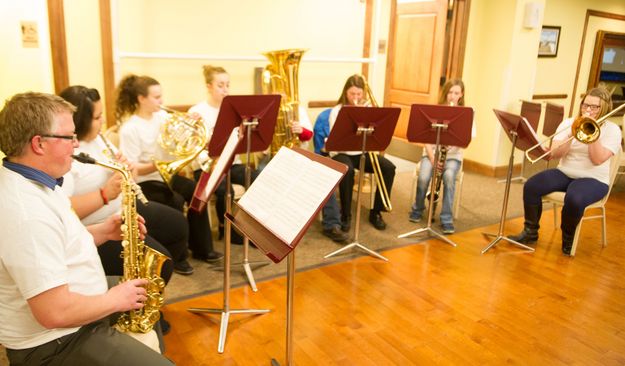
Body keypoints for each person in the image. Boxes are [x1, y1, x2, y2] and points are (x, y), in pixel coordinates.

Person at [0, 92, 172, 365]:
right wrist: (116, 299)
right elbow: (53, 313)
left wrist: (103, 231)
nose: (77, 143)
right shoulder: (26, 212)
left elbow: (58, 243)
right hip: (55, 342)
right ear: (39, 144)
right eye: (69, 137)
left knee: (144, 292)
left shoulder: (38, 180)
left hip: (73, 313)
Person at [59, 85, 194, 277]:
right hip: (98, 225)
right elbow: (63, 210)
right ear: (78, 120)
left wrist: (129, 171)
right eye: (97, 118)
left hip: (124, 207)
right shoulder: (65, 154)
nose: (103, 121)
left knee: (177, 225)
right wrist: (105, 194)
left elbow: (129, 173)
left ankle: (144, 284)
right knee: (160, 266)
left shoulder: (97, 139)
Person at [115, 74, 223, 263]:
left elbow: (182, 139)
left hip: (167, 175)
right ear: (141, 99)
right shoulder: (130, 128)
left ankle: (202, 248)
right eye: (156, 97)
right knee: (175, 200)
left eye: (161, 96)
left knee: (197, 191)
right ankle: (177, 257)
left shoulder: (163, 117)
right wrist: (155, 165)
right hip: (144, 182)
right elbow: (132, 169)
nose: (161, 101)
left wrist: (192, 123)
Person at [510, 87, 622, 255]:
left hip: (594, 179)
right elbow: (555, 154)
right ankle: (530, 231)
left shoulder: (612, 130)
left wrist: (592, 134)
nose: (588, 110)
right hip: (565, 172)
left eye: (594, 107)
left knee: (575, 198)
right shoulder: (569, 123)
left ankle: (568, 239)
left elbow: (597, 159)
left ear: (604, 108)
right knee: (532, 186)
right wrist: (572, 132)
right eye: (585, 105)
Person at [329, 74, 396, 231]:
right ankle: (346, 214)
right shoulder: (337, 111)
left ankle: (376, 212)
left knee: (388, 168)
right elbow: (336, 141)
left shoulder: (368, 110)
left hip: (362, 152)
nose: (356, 97)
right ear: (346, 92)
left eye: (359, 94)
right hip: (342, 152)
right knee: (348, 171)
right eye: (352, 94)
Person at [409, 79, 474, 234]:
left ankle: (446, 218)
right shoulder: (434, 110)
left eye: (456, 93)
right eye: (450, 92)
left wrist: (452, 144)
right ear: (446, 93)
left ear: (461, 95)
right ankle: (418, 209)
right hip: (431, 154)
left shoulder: (467, 113)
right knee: (424, 176)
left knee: (449, 176)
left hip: (452, 157)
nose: (452, 96)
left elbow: (467, 141)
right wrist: (433, 157)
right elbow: (424, 136)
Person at [313, 108, 349, 243]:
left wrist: (300, 131)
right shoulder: (325, 116)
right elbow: (319, 146)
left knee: (323, 178)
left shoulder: (298, 111)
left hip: (298, 154)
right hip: (270, 156)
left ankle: (331, 225)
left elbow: (306, 135)